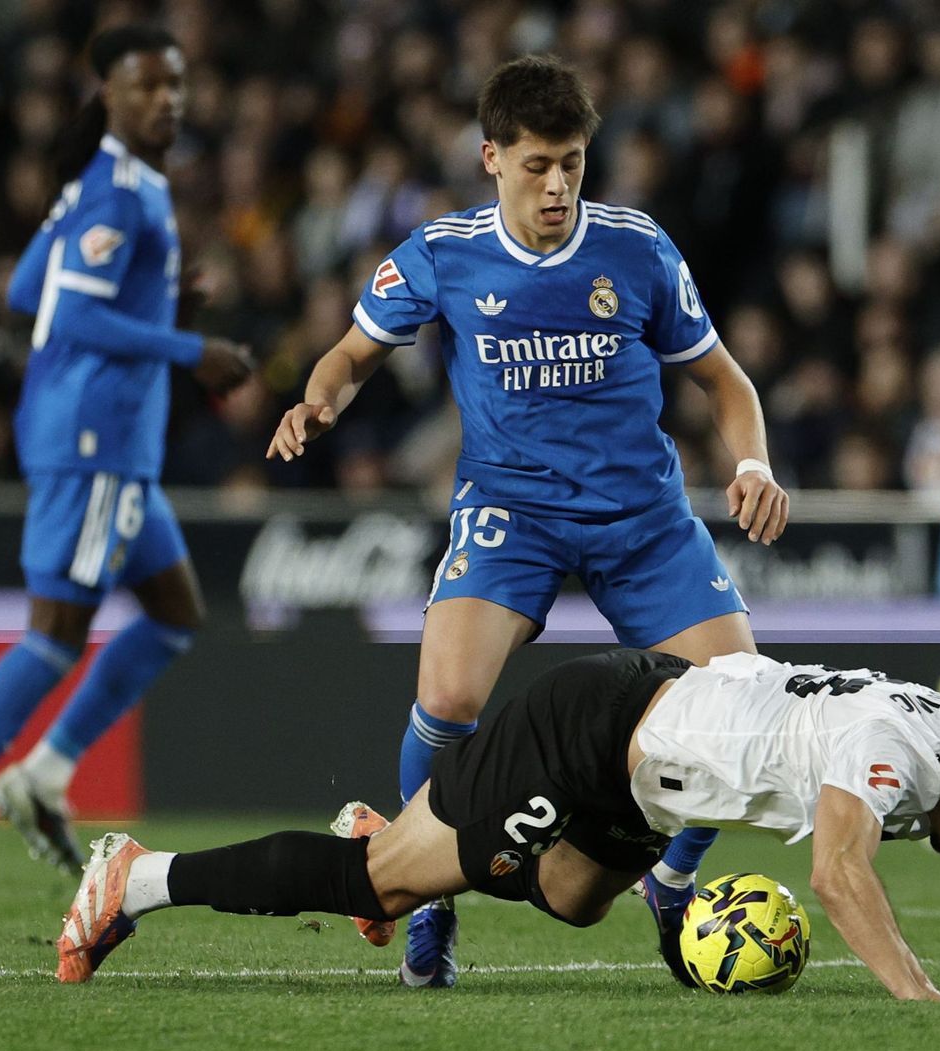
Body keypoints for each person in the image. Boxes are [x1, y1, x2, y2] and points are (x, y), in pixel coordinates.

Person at [266, 55, 787, 985]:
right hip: (512, 512)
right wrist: (319, 404)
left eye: (574, 164)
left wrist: (752, 463)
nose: (558, 185)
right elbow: (346, 355)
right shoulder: (442, 253)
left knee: (743, 706)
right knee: (451, 702)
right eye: (539, 164)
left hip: (643, 519)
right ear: (491, 157)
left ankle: (671, 879)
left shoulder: (636, 249)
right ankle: (425, 893)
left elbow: (724, 379)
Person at [53, 648, 940, 1005]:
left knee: (570, 896)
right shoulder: (902, 750)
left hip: (652, 771)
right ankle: (135, 874)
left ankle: (412, 840)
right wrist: (920, 996)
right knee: (377, 889)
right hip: (590, 732)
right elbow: (840, 875)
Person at [0, 25, 254, 890]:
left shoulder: (106, 184)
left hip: (106, 441)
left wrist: (160, 294)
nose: (169, 100)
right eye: (148, 86)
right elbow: (71, 317)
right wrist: (187, 346)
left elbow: (22, 288)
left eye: (177, 84)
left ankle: (43, 773)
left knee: (174, 612)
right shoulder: (120, 192)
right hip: (96, 440)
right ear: (109, 96)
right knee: (55, 633)